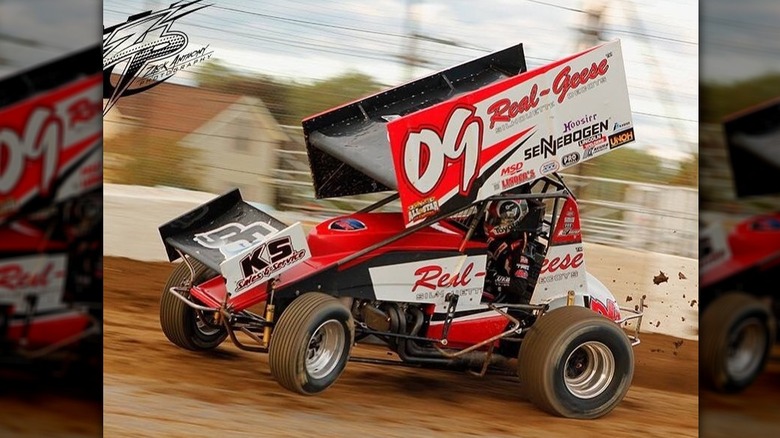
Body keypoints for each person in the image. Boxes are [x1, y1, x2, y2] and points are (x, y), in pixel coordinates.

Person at [482, 199, 535, 304]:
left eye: (497, 220)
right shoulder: (499, 238)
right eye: (492, 219)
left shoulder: (521, 249)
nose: (492, 223)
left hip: (504, 301)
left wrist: (492, 277)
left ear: (512, 221)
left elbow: (519, 286)